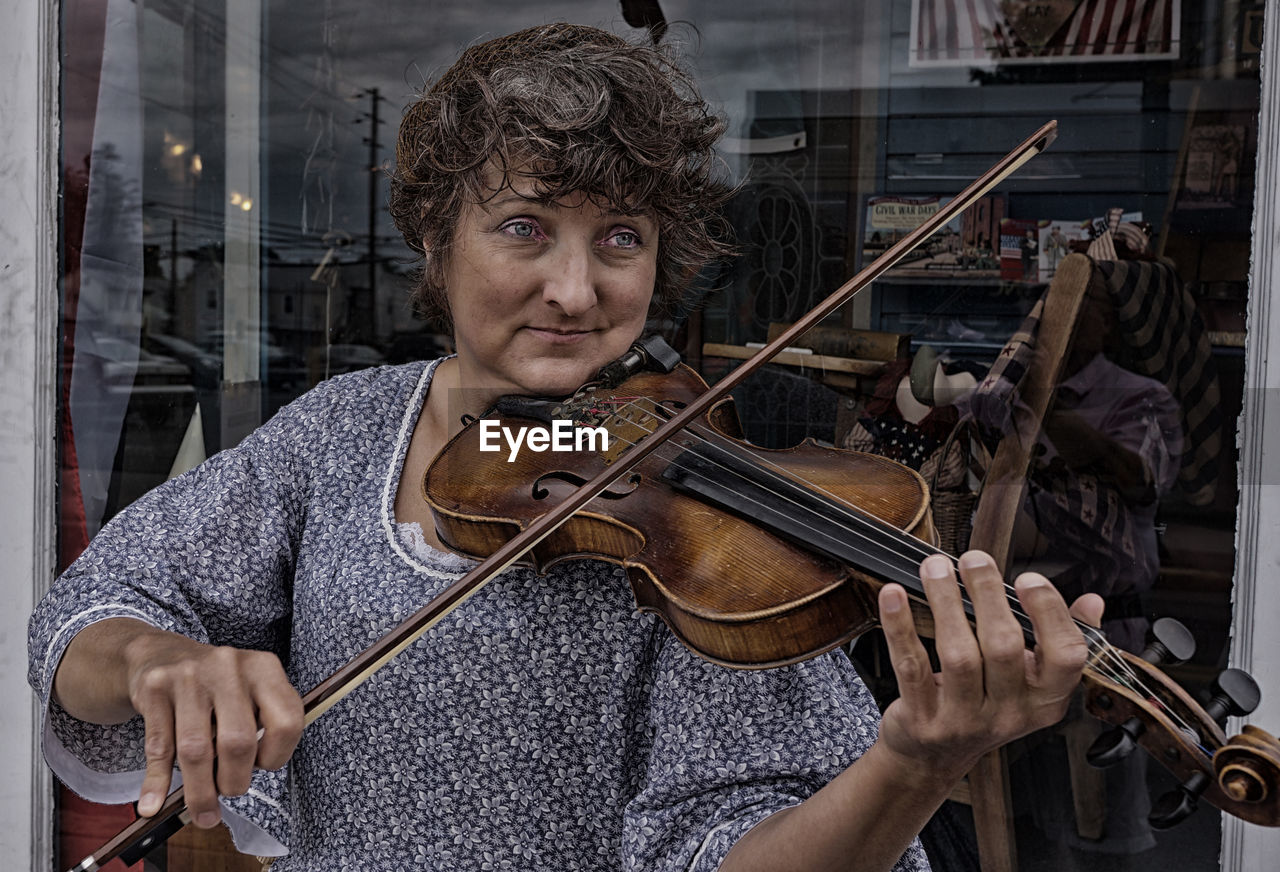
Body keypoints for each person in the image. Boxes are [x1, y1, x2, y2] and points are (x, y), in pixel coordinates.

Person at [29, 23, 1101, 871]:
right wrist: (161, 661)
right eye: (525, 227)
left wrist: (911, 765)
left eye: (620, 239)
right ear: (435, 237)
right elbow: (92, 614)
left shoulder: (711, 535)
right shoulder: (340, 432)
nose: (578, 291)